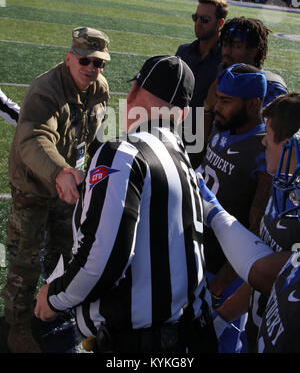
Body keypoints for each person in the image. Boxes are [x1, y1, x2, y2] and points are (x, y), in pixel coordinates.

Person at [34, 55, 220, 354]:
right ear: (183, 115)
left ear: (133, 92)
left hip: (137, 344)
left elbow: (103, 259)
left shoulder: (122, 152)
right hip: (189, 335)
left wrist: (53, 298)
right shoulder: (182, 159)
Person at [2, 26, 111, 353]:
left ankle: (53, 307)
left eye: (100, 63)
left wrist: (102, 163)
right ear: (69, 58)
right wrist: (59, 171)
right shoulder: (44, 90)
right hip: (34, 186)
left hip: (69, 186)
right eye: (86, 61)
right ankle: (17, 326)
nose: (92, 69)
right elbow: (33, 138)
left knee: (65, 253)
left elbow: (94, 136)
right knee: (25, 259)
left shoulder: (98, 89)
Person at [213, 93, 300, 352]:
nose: (263, 140)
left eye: (268, 134)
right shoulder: (282, 188)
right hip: (259, 332)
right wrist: (223, 316)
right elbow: (258, 278)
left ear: (288, 146)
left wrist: (212, 211)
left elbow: (263, 270)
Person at [197, 63, 273, 352]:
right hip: (198, 257)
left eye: (227, 101)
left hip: (223, 275)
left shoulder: (263, 150)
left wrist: (221, 286)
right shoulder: (223, 125)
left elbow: (258, 231)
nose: (218, 106)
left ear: (253, 103)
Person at [204, 17, 288, 143]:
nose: (227, 51)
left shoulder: (273, 88)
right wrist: (207, 108)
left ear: (254, 50)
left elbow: (275, 145)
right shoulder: (223, 77)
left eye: (236, 45)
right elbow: (206, 139)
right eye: (225, 44)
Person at [175, 0, 229, 168]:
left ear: (220, 23)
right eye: (195, 17)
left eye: (205, 19)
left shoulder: (226, 60)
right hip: (178, 134)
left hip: (208, 143)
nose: (198, 22)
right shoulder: (183, 52)